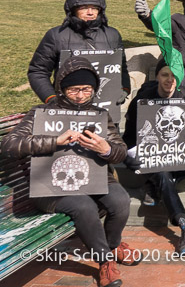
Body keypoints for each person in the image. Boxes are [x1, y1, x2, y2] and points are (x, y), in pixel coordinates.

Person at [2, 57, 139, 287]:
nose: (81, 95)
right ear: (62, 89)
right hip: (49, 187)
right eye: (74, 90)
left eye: (87, 89)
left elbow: (121, 151)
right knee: (83, 205)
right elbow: (9, 144)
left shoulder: (99, 115)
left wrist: (106, 149)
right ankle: (104, 261)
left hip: (94, 179)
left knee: (120, 200)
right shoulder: (42, 114)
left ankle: (113, 245)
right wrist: (54, 141)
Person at [122, 59, 185, 255]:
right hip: (150, 157)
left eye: (174, 75)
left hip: (179, 155)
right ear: (157, 76)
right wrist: (137, 160)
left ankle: (157, 185)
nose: (170, 80)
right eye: (165, 74)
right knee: (163, 173)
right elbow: (128, 139)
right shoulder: (142, 100)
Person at [28, 0, 130, 105]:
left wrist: (124, 89)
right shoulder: (56, 36)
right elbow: (38, 71)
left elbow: (121, 67)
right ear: (73, 9)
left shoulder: (112, 35)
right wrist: (50, 98)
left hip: (106, 107)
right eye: (84, 8)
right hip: (66, 107)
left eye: (95, 8)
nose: (90, 12)